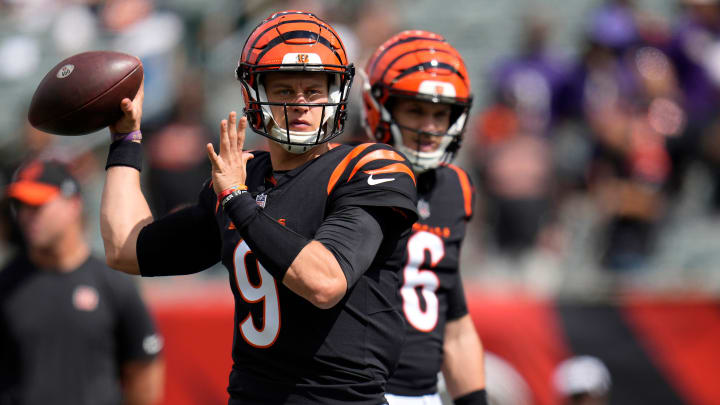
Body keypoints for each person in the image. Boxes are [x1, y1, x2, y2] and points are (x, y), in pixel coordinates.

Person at [100, 10, 418, 405]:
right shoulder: (243, 175)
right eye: (284, 91)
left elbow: (325, 282)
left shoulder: (369, 167)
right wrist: (125, 138)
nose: (301, 104)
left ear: (337, 94)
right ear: (253, 94)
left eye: (314, 91)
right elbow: (125, 249)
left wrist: (238, 200)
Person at [362, 31, 486, 405]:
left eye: (439, 113)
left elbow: (453, 319)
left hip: (425, 394)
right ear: (380, 107)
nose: (430, 127)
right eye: (415, 110)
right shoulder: (351, 175)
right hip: (356, 392)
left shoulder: (457, 188)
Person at [0, 159, 164, 405]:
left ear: (73, 204)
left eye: (37, 205)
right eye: (21, 206)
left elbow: (143, 370)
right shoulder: (7, 284)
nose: (26, 216)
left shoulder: (112, 283)